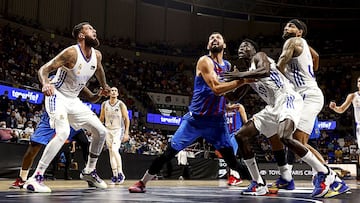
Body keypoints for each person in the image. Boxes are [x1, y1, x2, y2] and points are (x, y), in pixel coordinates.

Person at [128, 32, 257, 193]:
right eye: (211, 38)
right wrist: (243, 80)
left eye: (218, 38)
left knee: (232, 161)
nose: (214, 39)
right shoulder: (204, 61)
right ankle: (142, 182)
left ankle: (259, 182)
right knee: (169, 152)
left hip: (217, 122)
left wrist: (227, 105)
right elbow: (216, 89)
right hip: (195, 120)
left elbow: (226, 94)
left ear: (224, 45)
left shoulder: (228, 66)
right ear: (208, 46)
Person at [225, 39, 337, 197]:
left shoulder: (259, 56)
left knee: (285, 137)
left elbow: (264, 71)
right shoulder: (248, 73)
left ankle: (324, 172)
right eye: (241, 45)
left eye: (246, 45)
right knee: (241, 135)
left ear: (254, 49)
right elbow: (233, 97)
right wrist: (220, 84)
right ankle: (258, 183)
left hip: (287, 98)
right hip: (272, 107)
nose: (242, 47)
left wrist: (240, 75)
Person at [24, 22, 111, 193]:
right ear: (81, 35)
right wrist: (46, 83)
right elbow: (44, 69)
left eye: (94, 28)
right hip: (57, 94)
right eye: (90, 29)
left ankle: (89, 171)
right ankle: (36, 178)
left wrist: (104, 86)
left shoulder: (97, 55)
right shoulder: (72, 52)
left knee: (101, 132)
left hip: (73, 100)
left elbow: (99, 70)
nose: (94, 31)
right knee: (63, 132)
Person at [277, 19, 349, 197]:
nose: (287, 28)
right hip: (307, 94)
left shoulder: (292, 41)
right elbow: (316, 57)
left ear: (299, 32)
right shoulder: (304, 45)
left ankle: (326, 176)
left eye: (291, 26)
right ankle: (329, 177)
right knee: (298, 142)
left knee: (296, 141)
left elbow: (280, 65)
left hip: (307, 94)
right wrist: (310, 72)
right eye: (286, 26)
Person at [10, 87, 104, 189]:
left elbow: (91, 97)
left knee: (85, 142)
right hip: (52, 116)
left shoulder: (76, 78)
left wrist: (99, 94)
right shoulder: (54, 79)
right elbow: (44, 82)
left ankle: (89, 172)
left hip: (71, 116)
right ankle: (22, 178)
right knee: (34, 146)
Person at [99, 87, 130, 185]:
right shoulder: (104, 104)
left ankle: (121, 173)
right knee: (111, 153)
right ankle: (115, 175)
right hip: (108, 130)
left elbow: (126, 119)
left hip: (118, 130)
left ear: (117, 94)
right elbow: (102, 118)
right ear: (109, 93)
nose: (113, 92)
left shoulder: (121, 104)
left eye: (115, 90)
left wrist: (126, 133)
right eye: (111, 90)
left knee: (115, 150)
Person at [329, 76, 360, 154]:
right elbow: (341, 109)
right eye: (359, 81)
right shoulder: (352, 96)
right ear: (357, 84)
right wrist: (334, 107)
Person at [225, 103, 247, 186]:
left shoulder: (239, 106)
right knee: (228, 156)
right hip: (226, 134)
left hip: (236, 133)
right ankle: (235, 176)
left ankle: (234, 177)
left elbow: (245, 121)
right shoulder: (223, 107)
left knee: (231, 155)